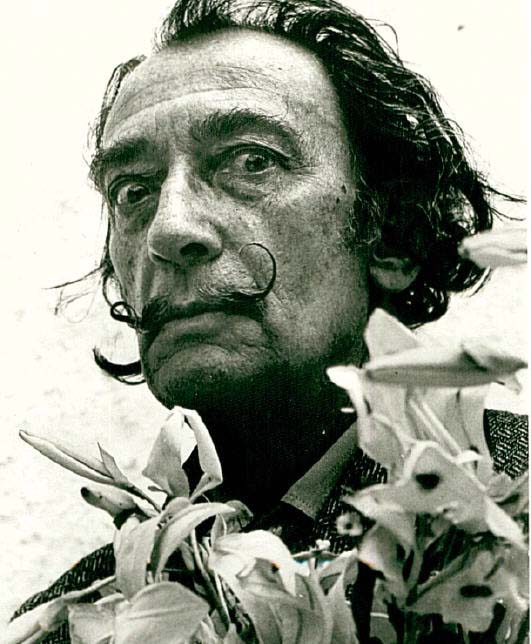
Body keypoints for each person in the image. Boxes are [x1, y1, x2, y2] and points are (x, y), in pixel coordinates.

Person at [12, 0, 527, 641]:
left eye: (252, 160)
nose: (168, 229)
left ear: (393, 236)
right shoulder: (63, 623)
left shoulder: (517, 504)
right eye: (132, 191)